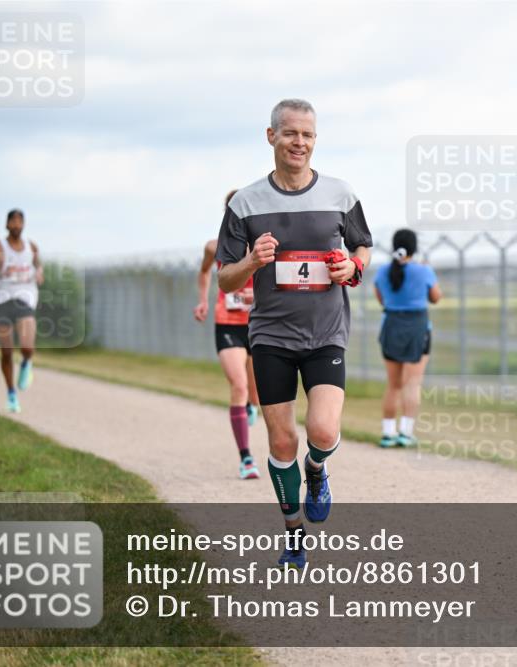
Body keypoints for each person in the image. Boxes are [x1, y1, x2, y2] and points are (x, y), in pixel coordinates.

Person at [217, 98, 372, 569]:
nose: (299, 142)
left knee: (322, 430)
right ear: (271, 137)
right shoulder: (245, 203)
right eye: (290, 134)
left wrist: (352, 267)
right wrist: (252, 261)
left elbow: (362, 247)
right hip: (271, 338)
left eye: (307, 135)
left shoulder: (341, 194)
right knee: (281, 440)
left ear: (315, 140)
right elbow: (226, 278)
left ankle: (317, 470)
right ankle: (293, 535)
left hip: (326, 332)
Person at [195, 191, 263, 480]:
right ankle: (246, 458)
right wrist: (203, 300)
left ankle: (251, 405)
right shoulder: (215, 247)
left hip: (260, 324)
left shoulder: (264, 247)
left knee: (255, 393)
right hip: (228, 324)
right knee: (238, 385)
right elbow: (204, 272)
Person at [373, 229, 441, 447]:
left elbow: (382, 300)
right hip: (418, 329)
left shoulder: (382, 272)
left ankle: (387, 433)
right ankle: (406, 432)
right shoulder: (424, 271)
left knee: (393, 385)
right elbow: (436, 298)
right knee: (412, 384)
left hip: (391, 326)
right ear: (414, 248)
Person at [0, 209, 42, 412]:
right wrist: (0, 273)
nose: (16, 225)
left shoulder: (31, 247)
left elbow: (39, 270)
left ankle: (26, 363)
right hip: (2, 301)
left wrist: (39, 275)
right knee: (6, 351)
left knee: (27, 347)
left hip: (24, 299)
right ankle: (11, 393)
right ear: (6, 225)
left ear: (24, 225)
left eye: (19, 221)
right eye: (12, 221)